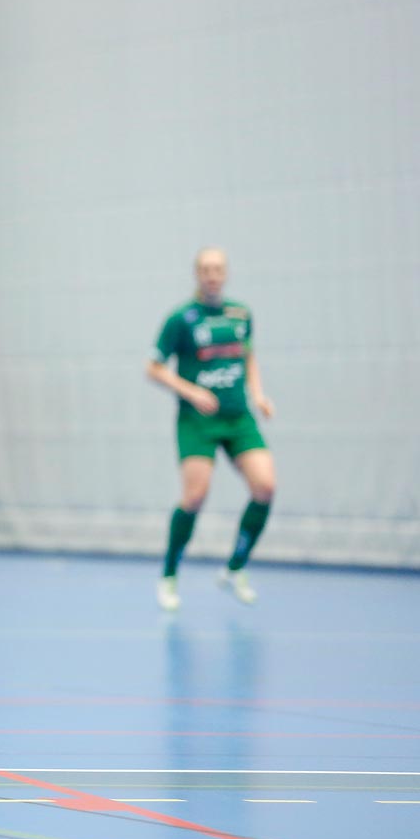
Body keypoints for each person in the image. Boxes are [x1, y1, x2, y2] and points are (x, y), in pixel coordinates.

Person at [147, 247, 276, 611]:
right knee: (194, 497)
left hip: (238, 417)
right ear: (197, 274)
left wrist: (259, 395)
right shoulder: (181, 319)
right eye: (205, 269)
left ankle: (235, 569)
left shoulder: (241, 314)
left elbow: (248, 356)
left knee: (265, 486)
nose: (212, 275)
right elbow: (153, 368)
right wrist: (192, 391)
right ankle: (169, 575)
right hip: (197, 421)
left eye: (218, 268)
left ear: (226, 273)